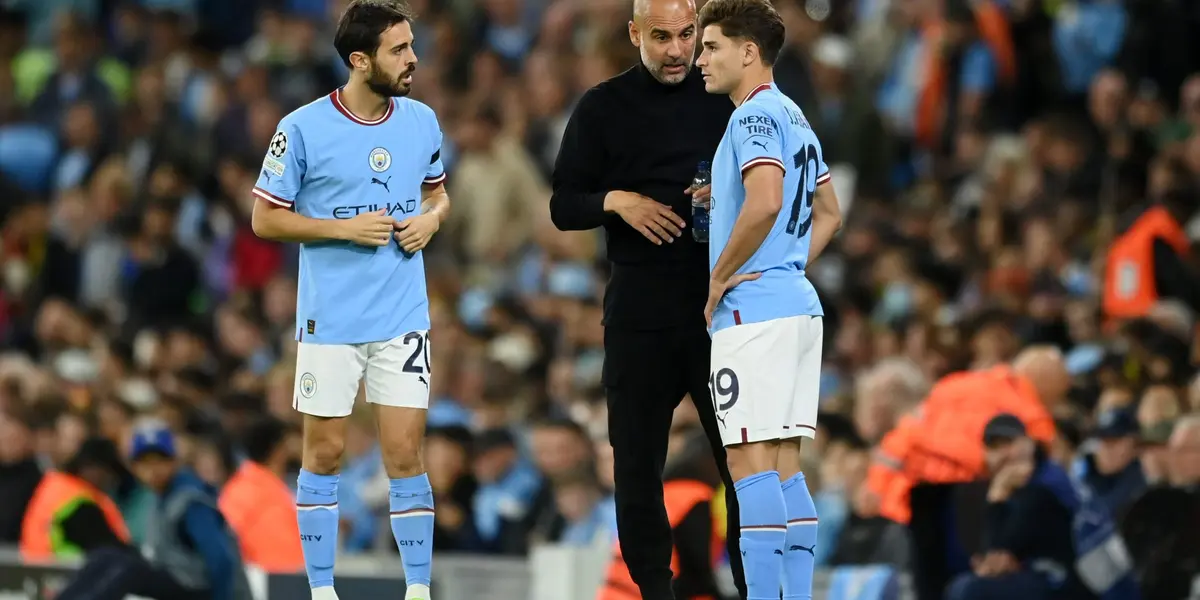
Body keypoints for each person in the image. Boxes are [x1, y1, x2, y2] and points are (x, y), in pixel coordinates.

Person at [249, 1, 450, 598]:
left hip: (402, 315)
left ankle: (417, 589)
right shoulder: (302, 127)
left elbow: (439, 195)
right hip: (330, 318)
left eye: (412, 45)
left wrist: (432, 222)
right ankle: (321, 589)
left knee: (406, 453)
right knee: (327, 451)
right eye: (399, 49)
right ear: (360, 61)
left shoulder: (422, 121)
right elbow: (264, 219)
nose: (413, 58)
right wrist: (343, 228)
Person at [548, 0, 746, 597]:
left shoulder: (728, 99)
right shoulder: (603, 107)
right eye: (662, 36)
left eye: (688, 35)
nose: (677, 50)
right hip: (639, 316)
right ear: (635, 33)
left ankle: (751, 587)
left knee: (743, 470)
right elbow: (563, 204)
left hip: (720, 313)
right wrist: (616, 200)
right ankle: (653, 593)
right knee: (636, 474)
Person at [695, 1, 844, 598]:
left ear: (747, 52)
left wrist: (721, 274)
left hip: (752, 315)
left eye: (711, 47)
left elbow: (764, 200)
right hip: (798, 309)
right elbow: (830, 212)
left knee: (748, 465)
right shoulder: (795, 116)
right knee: (784, 466)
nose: (700, 60)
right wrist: (785, 264)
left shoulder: (751, 117)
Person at [56, 424, 252, 600]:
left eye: (160, 461)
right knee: (105, 555)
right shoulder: (161, 495)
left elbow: (221, 559)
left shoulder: (190, 500)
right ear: (134, 467)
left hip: (199, 588)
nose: (153, 470)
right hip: (177, 579)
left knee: (128, 571)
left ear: (174, 462)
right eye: (145, 463)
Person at [19, 437, 130, 560]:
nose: (110, 480)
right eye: (109, 472)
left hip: (39, 573)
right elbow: (112, 550)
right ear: (93, 469)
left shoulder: (55, 487)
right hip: (67, 573)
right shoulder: (80, 504)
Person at [219, 416, 305, 573]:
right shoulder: (244, 488)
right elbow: (226, 538)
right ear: (278, 448)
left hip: (292, 581)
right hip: (260, 584)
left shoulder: (276, 487)